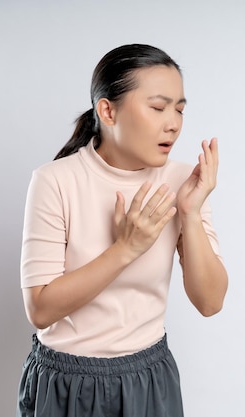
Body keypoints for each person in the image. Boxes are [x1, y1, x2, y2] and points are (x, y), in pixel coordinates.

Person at [17, 44, 228, 417]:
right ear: (108, 110)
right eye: (158, 107)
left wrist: (190, 214)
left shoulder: (182, 182)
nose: (174, 123)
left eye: (179, 108)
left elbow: (210, 302)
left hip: (148, 380)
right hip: (68, 383)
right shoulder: (55, 181)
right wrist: (127, 248)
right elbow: (40, 309)